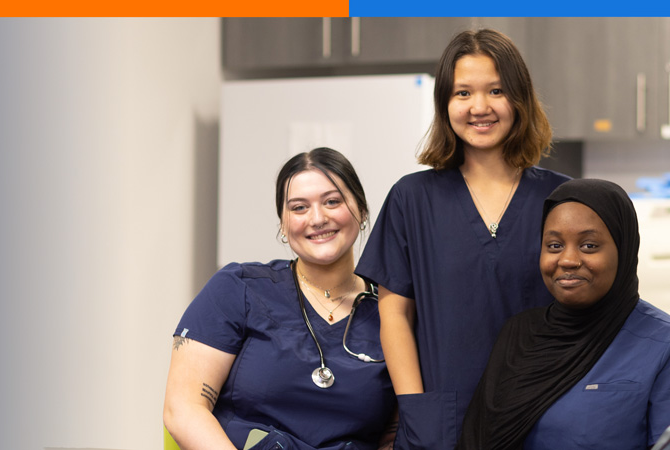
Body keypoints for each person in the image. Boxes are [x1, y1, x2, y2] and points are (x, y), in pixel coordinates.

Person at [355, 29, 571, 450]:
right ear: (445, 105)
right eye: (462, 93)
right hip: (441, 422)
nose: (480, 107)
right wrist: (416, 411)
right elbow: (395, 316)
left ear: (520, 100)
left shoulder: (562, 199)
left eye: (496, 90)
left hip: (545, 413)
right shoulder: (411, 199)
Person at [456, 179, 670, 449]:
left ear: (624, 250)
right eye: (555, 246)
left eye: (589, 246)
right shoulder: (520, 336)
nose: (568, 260)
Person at [164, 147, 395, 450]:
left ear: (362, 211)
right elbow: (183, 409)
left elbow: (394, 434)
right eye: (299, 208)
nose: (317, 218)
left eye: (332, 201)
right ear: (283, 225)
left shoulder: (393, 310)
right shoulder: (239, 288)